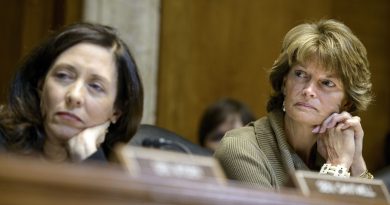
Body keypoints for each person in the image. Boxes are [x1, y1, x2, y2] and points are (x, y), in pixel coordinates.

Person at [215, 19, 374, 189]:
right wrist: (336, 168)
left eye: (327, 83)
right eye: (300, 74)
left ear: (347, 103)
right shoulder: (240, 150)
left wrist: (356, 164)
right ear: (284, 83)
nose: (308, 90)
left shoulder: (335, 153)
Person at [0, 23, 143, 163]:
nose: (74, 95)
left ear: (116, 111)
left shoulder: (124, 177)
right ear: (41, 82)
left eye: (95, 86)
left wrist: (88, 157)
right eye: (63, 76)